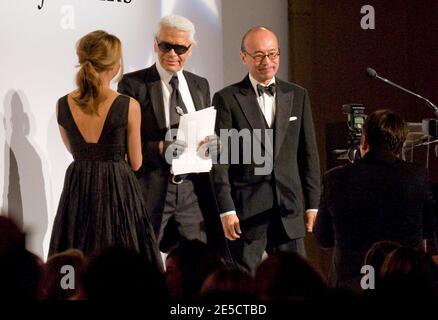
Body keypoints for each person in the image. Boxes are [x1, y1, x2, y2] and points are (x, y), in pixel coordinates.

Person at [48, 30, 163, 272]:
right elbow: (136, 163)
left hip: (78, 189)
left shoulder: (62, 105)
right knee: (122, 263)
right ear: (114, 65)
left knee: (75, 259)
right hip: (118, 190)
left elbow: (74, 151)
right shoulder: (127, 105)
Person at [212, 26, 321, 272]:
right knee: (242, 285)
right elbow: (221, 162)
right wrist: (226, 209)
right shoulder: (227, 99)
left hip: (288, 209)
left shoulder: (298, 95)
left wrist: (313, 203)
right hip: (246, 212)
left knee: (295, 283)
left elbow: (309, 154)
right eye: (259, 55)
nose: (267, 62)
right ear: (244, 57)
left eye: (273, 54)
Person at [118, 15, 226, 256]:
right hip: (151, 187)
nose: (172, 54)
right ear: (155, 45)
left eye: (180, 48)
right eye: (166, 46)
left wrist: (213, 143)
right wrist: (158, 148)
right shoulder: (133, 85)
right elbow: (123, 147)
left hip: (191, 190)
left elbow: (205, 131)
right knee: (142, 260)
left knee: (197, 263)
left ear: (190, 49)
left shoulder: (200, 85)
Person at [314, 109, 431, 293]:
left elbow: (323, 238)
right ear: (401, 144)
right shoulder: (417, 176)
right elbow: (429, 229)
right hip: (404, 287)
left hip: (350, 290)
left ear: (364, 140)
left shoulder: (335, 178)